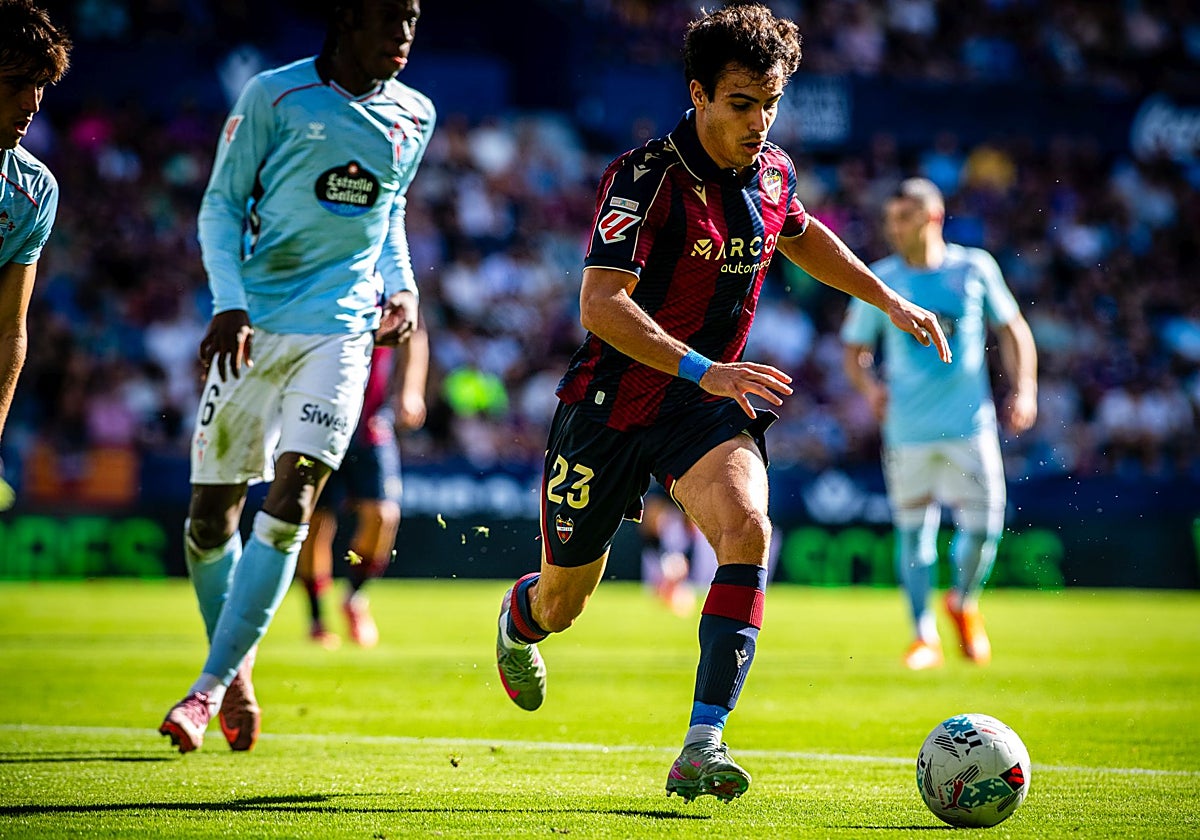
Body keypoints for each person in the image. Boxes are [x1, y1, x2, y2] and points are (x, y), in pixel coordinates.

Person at [492, 3, 950, 803]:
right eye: (742, 103)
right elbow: (600, 304)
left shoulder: (774, 172)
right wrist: (705, 367)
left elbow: (800, 235)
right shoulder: (645, 177)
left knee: (749, 528)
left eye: (771, 104)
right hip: (609, 401)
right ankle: (518, 618)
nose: (759, 122)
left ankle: (703, 741)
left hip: (702, 404)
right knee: (563, 603)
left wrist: (890, 300)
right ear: (698, 93)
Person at [158, 0, 434, 754]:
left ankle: (207, 689)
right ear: (346, 19)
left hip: (342, 333)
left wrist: (401, 285)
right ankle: (238, 672)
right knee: (211, 521)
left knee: (296, 494)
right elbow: (219, 207)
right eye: (387, 17)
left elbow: (391, 212)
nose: (403, 33)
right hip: (251, 328)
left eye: (411, 16)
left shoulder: (415, 114)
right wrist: (230, 303)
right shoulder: (272, 97)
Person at [840, 177, 1038, 671]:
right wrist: (869, 388)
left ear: (933, 217)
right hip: (906, 430)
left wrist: (1026, 388)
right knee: (913, 532)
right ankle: (921, 633)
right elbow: (853, 349)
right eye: (889, 219)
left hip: (970, 427)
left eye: (903, 217)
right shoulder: (879, 280)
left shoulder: (973, 268)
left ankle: (963, 602)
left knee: (985, 526)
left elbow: (1013, 327)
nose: (893, 227)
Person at [297, 325, 428, 649]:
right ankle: (316, 618)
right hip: (318, 421)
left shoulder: (388, 280)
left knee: (384, 515)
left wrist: (411, 390)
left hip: (370, 424)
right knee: (315, 523)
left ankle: (354, 596)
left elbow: (415, 333)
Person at [0, 0, 71, 503]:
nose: (33, 102)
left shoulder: (34, 192)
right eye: (16, 84)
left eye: (41, 84)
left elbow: (9, 327)